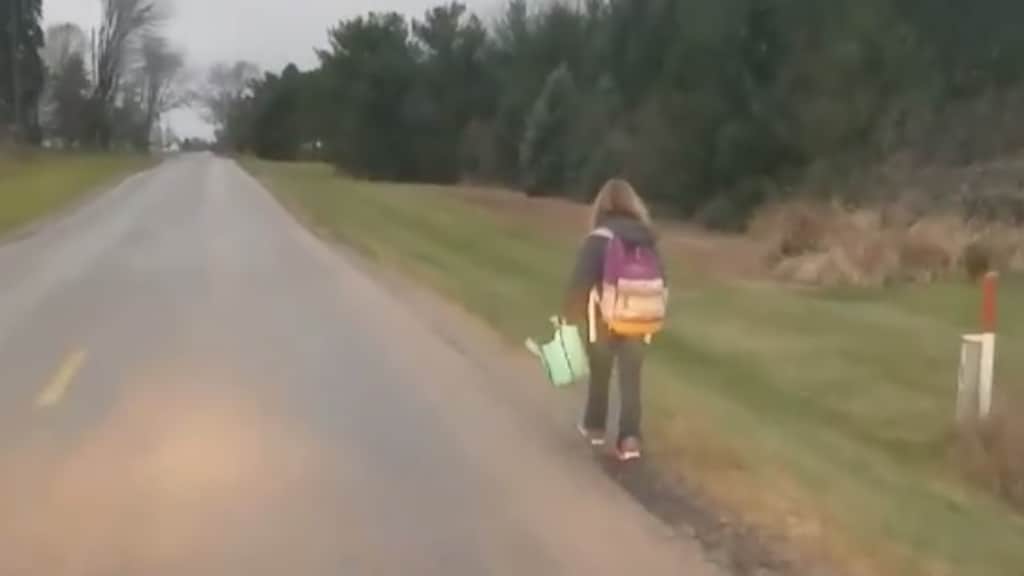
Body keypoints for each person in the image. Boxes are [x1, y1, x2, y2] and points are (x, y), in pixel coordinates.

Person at [563, 178, 667, 461]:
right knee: (631, 378)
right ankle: (630, 438)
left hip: (604, 316)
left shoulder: (599, 237)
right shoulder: (648, 238)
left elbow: (581, 280)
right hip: (643, 316)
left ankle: (595, 426)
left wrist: (569, 315)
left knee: (601, 370)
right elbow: (662, 279)